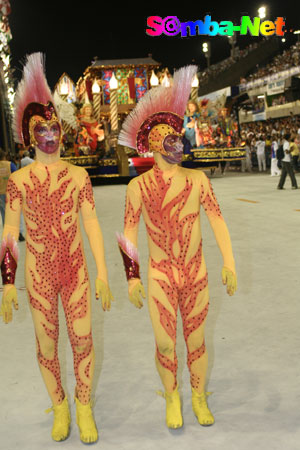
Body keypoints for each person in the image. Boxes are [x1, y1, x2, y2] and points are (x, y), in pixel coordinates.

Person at [0, 53, 114, 443]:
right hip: (39, 273)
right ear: (30, 135)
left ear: (62, 130)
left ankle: (84, 406)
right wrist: (5, 282)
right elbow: (10, 230)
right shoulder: (19, 181)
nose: (49, 134)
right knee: (46, 344)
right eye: (41, 128)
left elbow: (93, 223)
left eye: (54, 126)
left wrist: (102, 271)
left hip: (76, 269)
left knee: (83, 339)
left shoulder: (79, 175)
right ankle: (60, 406)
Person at [117, 65, 237, 429]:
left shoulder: (198, 180)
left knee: (197, 341)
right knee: (166, 344)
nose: (176, 140)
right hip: (161, 275)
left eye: (178, 134)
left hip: (196, 273)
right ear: (152, 142)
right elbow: (127, 234)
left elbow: (217, 220)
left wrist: (229, 262)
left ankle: (198, 397)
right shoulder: (137, 188)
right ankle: (172, 396)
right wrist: (132, 278)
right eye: (168, 135)